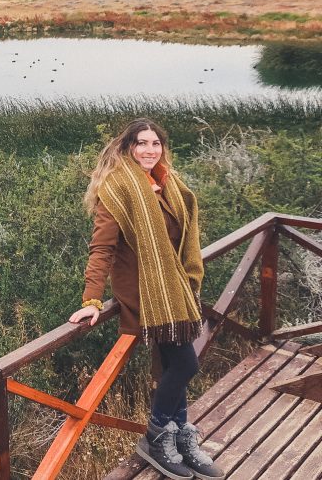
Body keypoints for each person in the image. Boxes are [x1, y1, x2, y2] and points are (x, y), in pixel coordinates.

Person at [68, 119, 224, 480]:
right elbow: (102, 248)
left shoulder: (169, 184)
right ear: (128, 148)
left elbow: (180, 241)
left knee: (175, 365)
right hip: (144, 295)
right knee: (186, 366)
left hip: (175, 292)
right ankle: (156, 436)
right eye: (142, 143)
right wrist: (92, 300)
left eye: (155, 143)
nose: (150, 150)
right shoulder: (118, 189)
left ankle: (180, 437)